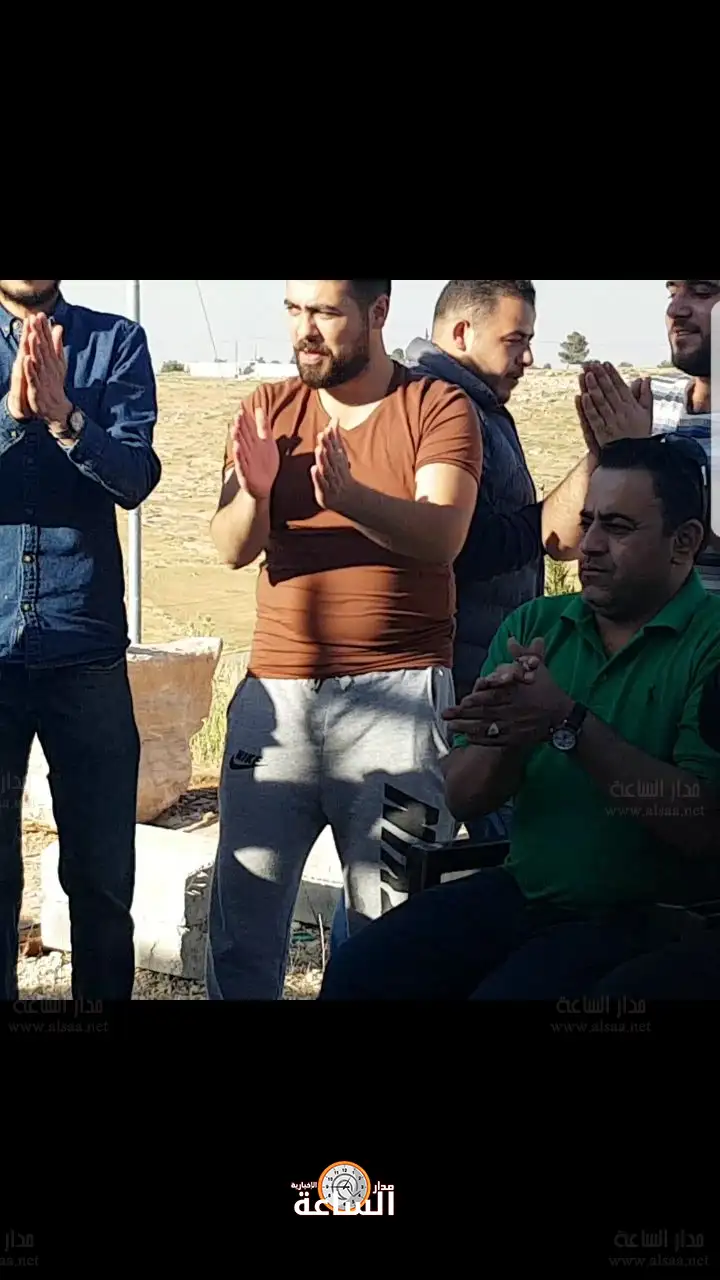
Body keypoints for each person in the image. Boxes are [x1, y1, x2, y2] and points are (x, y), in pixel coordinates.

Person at [318, 435, 720, 1000]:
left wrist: (566, 723)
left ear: (685, 542)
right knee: (360, 970)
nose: (590, 545)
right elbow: (463, 798)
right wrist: (510, 735)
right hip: (525, 892)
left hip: (654, 918)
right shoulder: (537, 625)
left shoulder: (711, 641)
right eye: (587, 522)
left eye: (618, 527)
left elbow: (701, 824)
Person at [206, 279, 482, 1000]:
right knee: (240, 930)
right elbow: (231, 547)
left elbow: (443, 535)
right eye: (294, 310)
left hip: (401, 709)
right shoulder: (267, 408)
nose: (306, 329)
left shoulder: (436, 405)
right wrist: (256, 493)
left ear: (378, 312)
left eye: (326, 312)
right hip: (277, 702)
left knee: (396, 930)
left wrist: (353, 499)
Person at [0, 279, 161, 1001]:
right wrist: (13, 415)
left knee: (101, 881)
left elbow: (135, 478)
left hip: (86, 647)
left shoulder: (116, 341)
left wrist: (67, 418)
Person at [577, 279, 720, 592]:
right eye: (672, 293)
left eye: (703, 292)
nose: (675, 309)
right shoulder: (648, 403)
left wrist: (636, 458)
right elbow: (562, 541)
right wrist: (605, 457)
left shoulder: (637, 429)